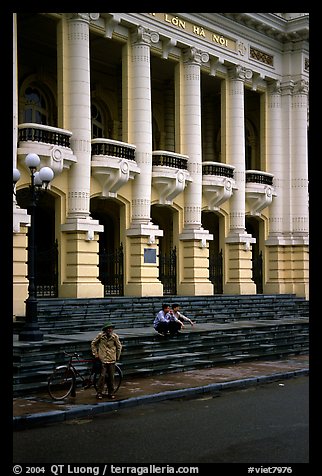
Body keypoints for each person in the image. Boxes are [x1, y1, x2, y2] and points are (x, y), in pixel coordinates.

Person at [91, 321, 122, 400]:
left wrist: (117, 357)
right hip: (103, 359)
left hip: (111, 359)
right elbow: (93, 343)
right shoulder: (100, 336)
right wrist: (95, 354)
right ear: (105, 330)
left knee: (111, 377)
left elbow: (119, 347)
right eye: (108, 329)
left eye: (110, 328)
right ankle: (99, 393)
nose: (109, 330)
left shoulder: (115, 337)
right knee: (102, 377)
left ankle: (111, 393)